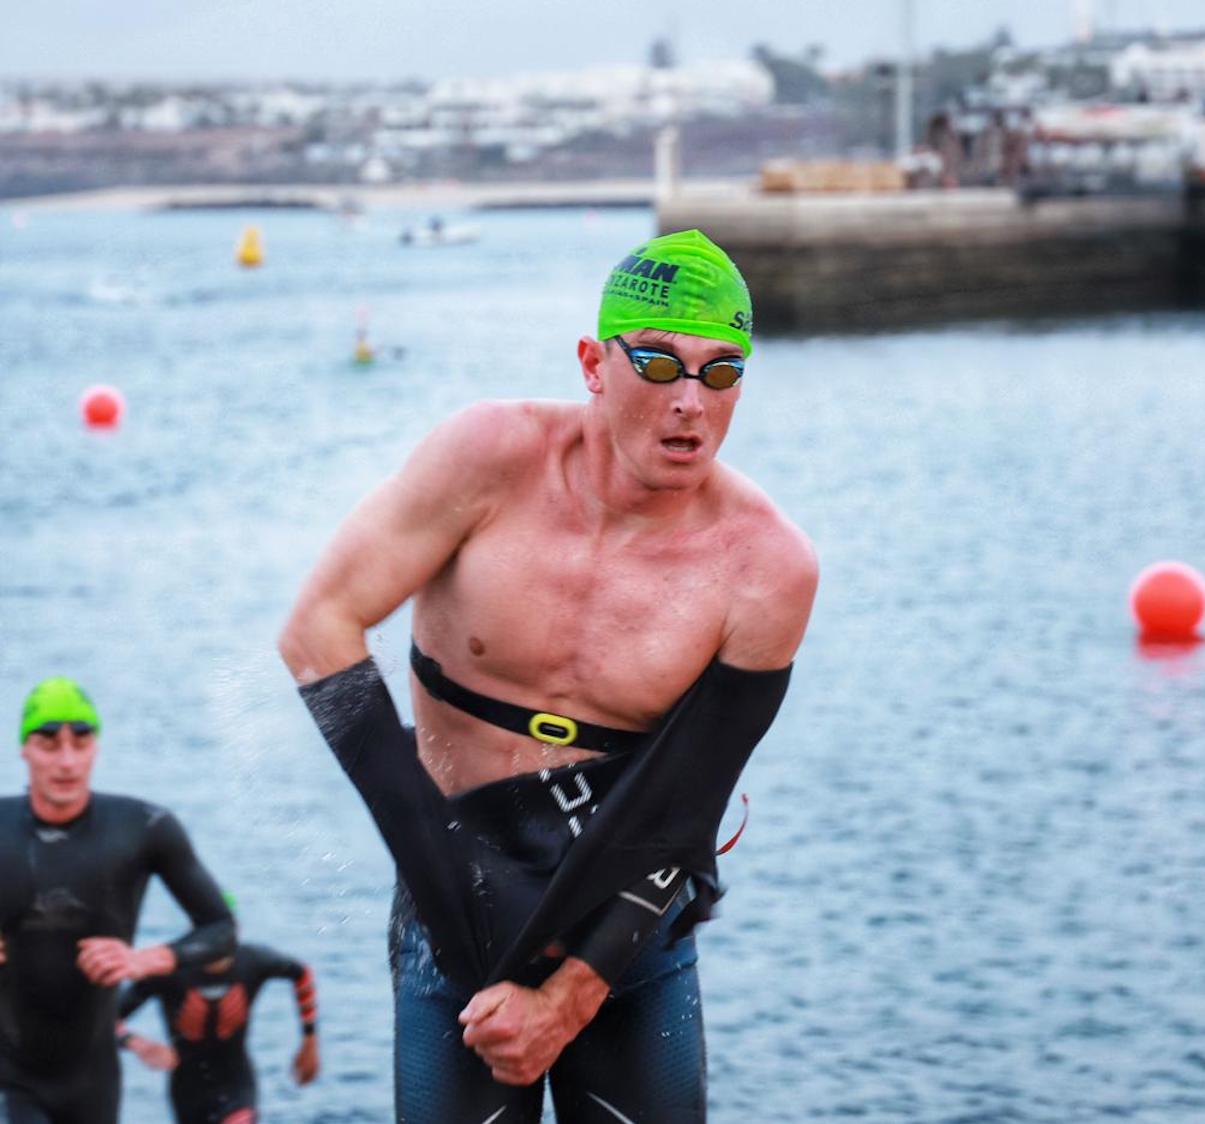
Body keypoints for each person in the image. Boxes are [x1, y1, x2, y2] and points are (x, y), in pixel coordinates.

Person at [279, 228, 818, 1122]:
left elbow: (686, 806)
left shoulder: (767, 567)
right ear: (592, 364)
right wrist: (450, 904)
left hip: (628, 928)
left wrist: (568, 994)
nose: (690, 402)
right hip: (448, 894)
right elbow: (317, 629)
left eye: (721, 373)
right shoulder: (489, 458)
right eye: (658, 362)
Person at [0, 677, 236, 1124]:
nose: (67, 761)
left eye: (81, 741)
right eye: (48, 744)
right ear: (24, 750)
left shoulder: (144, 827)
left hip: (92, 1080)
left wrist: (147, 959)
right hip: (10, 1078)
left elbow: (221, 929)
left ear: (96, 747)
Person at [116, 896, 320, 1124]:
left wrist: (309, 1039)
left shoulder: (253, 961)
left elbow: (302, 974)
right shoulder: (169, 972)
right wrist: (136, 1043)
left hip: (237, 1085)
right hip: (187, 1092)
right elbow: (104, 1022)